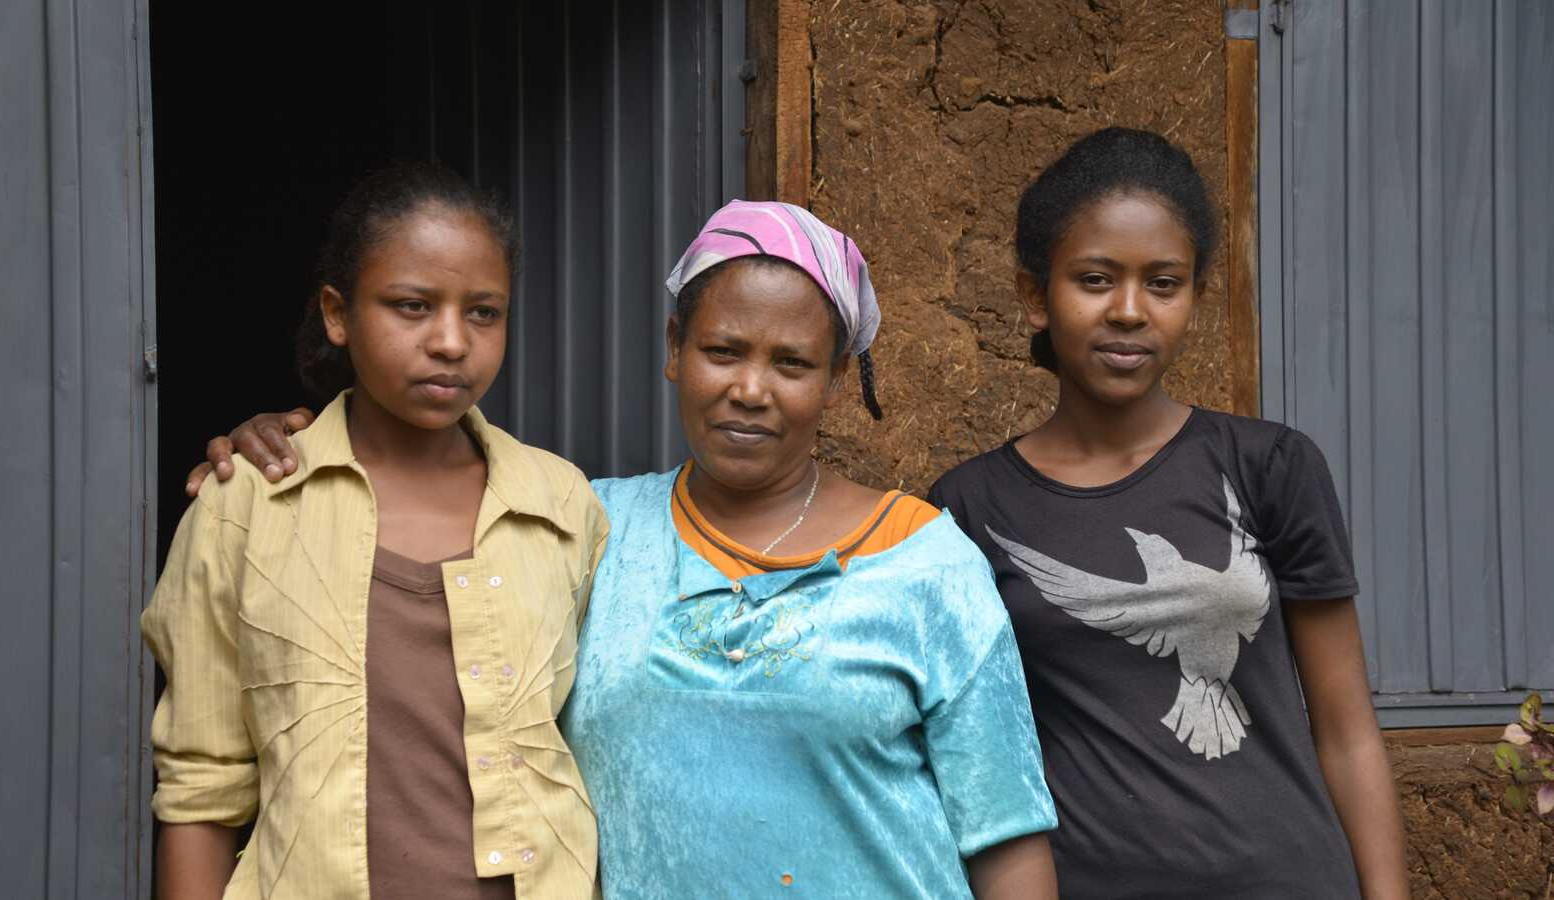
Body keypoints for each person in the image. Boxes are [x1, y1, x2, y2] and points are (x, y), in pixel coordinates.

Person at [191, 200, 1060, 898]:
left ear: (836, 381)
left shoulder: (926, 565)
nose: (751, 389)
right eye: (722, 350)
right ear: (676, 350)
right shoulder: (585, 529)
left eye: (792, 364)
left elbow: (1005, 836)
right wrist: (286, 444)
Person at [927, 127, 1410, 898]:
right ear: (1033, 297)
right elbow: (973, 756)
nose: (1128, 310)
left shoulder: (1271, 468)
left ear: (1197, 299)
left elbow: (1348, 731)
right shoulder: (970, 508)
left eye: (1163, 282)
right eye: (1094, 280)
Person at [144, 162, 606, 900]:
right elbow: (201, 788)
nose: (452, 341)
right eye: (413, 306)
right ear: (338, 313)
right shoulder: (248, 507)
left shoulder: (563, 507)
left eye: (484, 312)